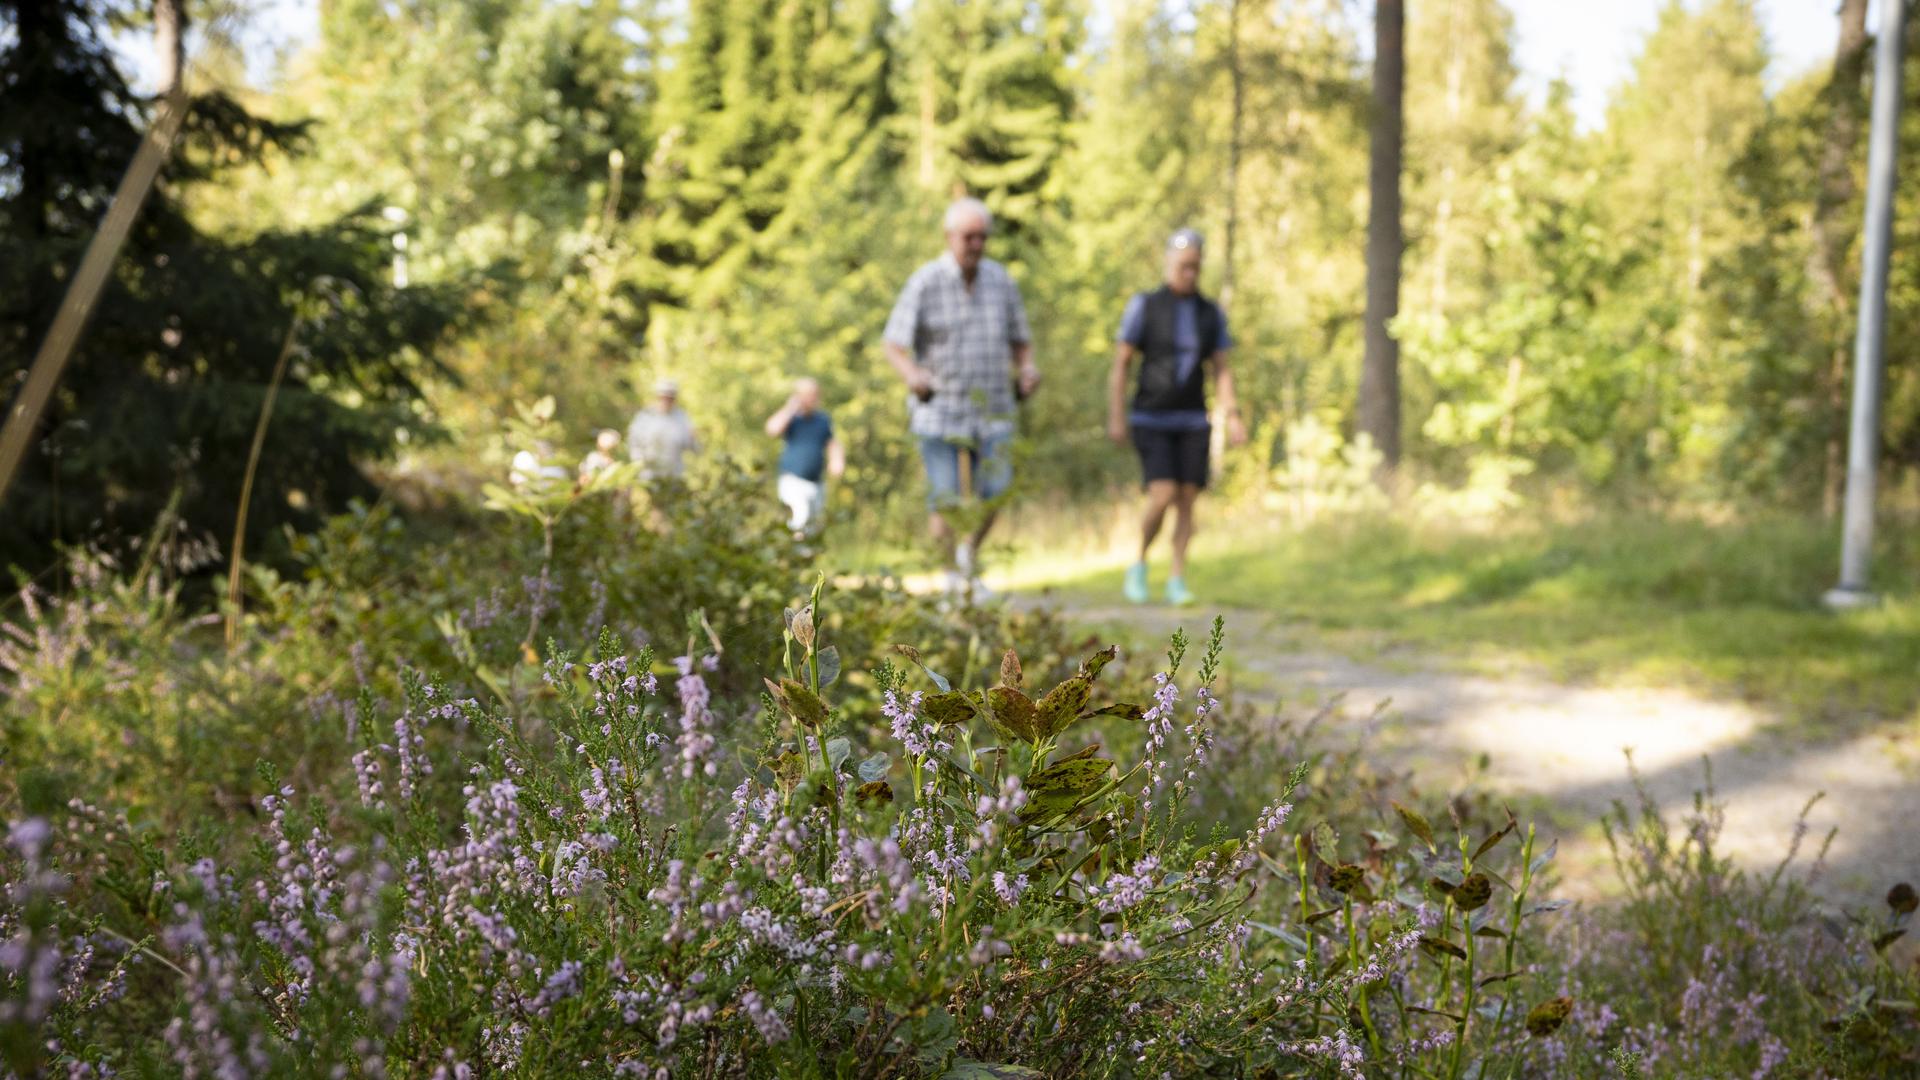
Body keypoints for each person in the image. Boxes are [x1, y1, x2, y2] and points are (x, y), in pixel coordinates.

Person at [883, 197, 1041, 597]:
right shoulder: (925, 282)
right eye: (969, 236)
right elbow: (893, 345)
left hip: (993, 409)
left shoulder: (1001, 281)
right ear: (950, 236)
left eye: (982, 236)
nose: (976, 243)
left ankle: (968, 558)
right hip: (939, 411)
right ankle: (951, 580)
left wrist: (1026, 369)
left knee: (998, 488)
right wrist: (913, 375)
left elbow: (1022, 342)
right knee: (946, 497)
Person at [1107, 228, 1247, 606]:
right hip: (1150, 416)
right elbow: (1121, 363)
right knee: (1163, 493)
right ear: (1169, 263)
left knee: (1187, 498)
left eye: (1196, 267)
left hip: (1192, 419)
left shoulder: (1209, 312)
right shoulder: (1146, 306)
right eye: (1184, 266)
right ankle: (1138, 562)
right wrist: (1116, 415)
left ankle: (1176, 577)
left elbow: (1221, 368)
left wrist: (1232, 415)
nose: (1189, 273)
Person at [764, 377, 845, 535]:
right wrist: (790, 408)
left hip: (816, 482)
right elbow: (772, 429)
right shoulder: (792, 419)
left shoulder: (822, 420)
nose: (813, 398)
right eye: (809, 394)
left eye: (815, 394)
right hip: (793, 480)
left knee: (813, 526)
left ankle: (805, 557)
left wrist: (837, 460)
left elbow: (832, 443)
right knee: (798, 521)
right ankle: (794, 555)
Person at [627, 378, 699, 481]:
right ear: (658, 397)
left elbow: (692, 446)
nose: (667, 400)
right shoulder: (645, 416)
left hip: (673, 474)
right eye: (664, 397)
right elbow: (633, 442)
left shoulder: (682, 417)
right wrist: (638, 464)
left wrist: (693, 439)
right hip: (648, 474)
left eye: (671, 397)